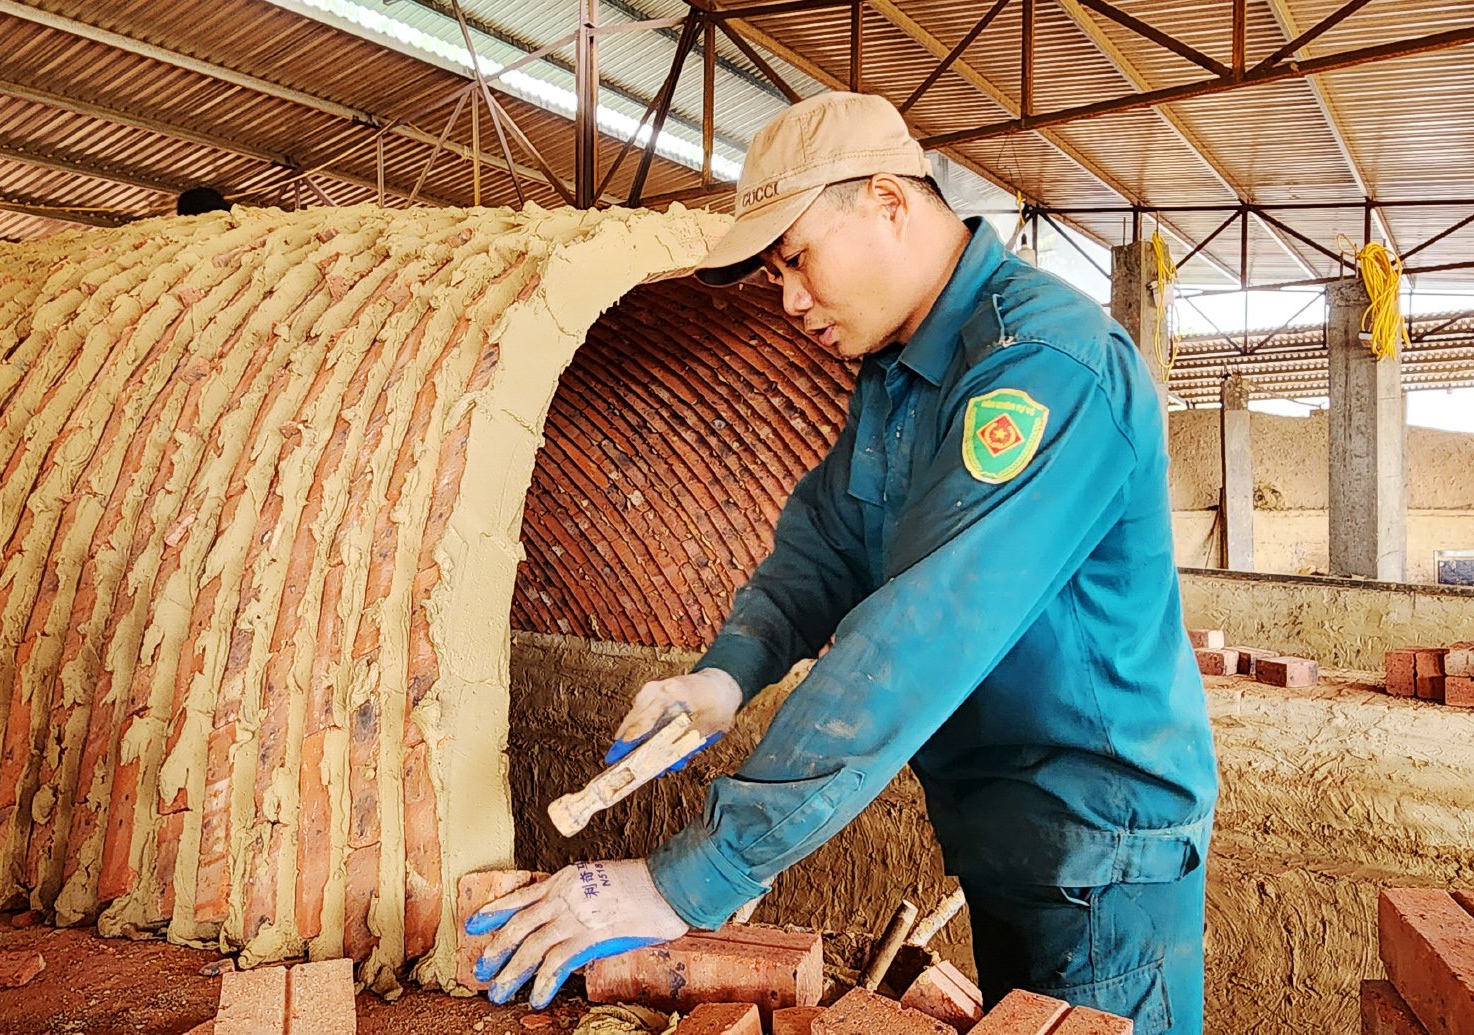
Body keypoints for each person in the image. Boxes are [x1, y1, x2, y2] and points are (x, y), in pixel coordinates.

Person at [464, 92, 1218, 1035]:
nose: (788, 299)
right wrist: (722, 677)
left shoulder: (1044, 366)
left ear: (889, 202)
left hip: (1100, 854)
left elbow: (917, 634)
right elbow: (825, 540)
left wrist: (691, 877)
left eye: (798, 260)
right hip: (1011, 832)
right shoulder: (899, 375)